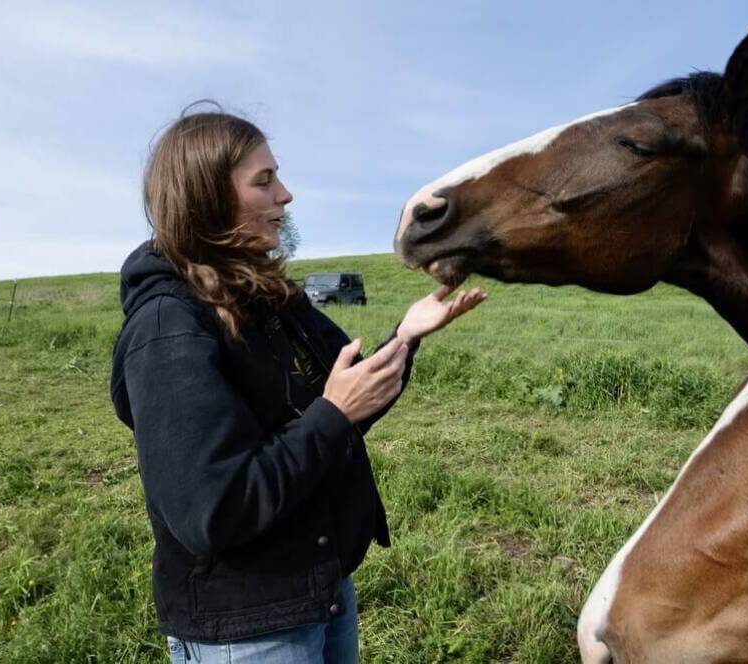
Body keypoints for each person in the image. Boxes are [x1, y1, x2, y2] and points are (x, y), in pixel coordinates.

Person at [109, 107, 485, 664]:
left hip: (321, 588)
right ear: (207, 197)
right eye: (263, 181)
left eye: (277, 176)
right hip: (246, 628)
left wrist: (404, 336)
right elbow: (212, 510)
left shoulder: (270, 300)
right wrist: (335, 412)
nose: (286, 195)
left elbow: (344, 401)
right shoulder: (169, 328)